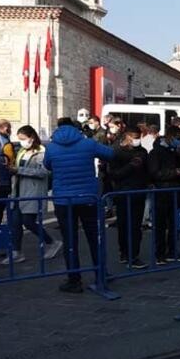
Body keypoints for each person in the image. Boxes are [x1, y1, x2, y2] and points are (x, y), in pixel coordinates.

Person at [44, 117, 114, 293]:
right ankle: (100, 274)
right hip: (87, 197)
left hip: (63, 200)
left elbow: (48, 165)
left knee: (70, 240)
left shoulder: (51, 147)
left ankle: (74, 280)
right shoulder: (88, 143)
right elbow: (111, 154)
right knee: (94, 238)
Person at [3, 126, 63, 265]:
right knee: (15, 223)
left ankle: (52, 242)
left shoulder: (42, 152)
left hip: (32, 191)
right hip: (17, 191)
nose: (22, 142)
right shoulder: (22, 151)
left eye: (23, 139)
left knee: (28, 222)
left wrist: (19, 170)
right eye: (20, 139)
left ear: (32, 137)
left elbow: (44, 172)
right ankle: (16, 252)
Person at [148, 125, 180, 265]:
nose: (179, 141)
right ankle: (159, 254)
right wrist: (173, 173)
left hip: (174, 190)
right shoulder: (156, 152)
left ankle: (172, 251)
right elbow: (154, 173)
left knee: (173, 223)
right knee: (160, 225)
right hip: (162, 191)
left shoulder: (175, 151)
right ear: (170, 136)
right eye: (177, 138)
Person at [108, 125, 149, 269]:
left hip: (138, 192)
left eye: (139, 137)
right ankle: (124, 253)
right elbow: (114, 175)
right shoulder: (117, 152)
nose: (137, 140)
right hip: (123, 192)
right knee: (124, 224)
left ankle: (134, 255)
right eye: (135, 137)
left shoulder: (142, 152)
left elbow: (147, 171)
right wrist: (131, 166)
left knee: (136, 226)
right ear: (128, 137)